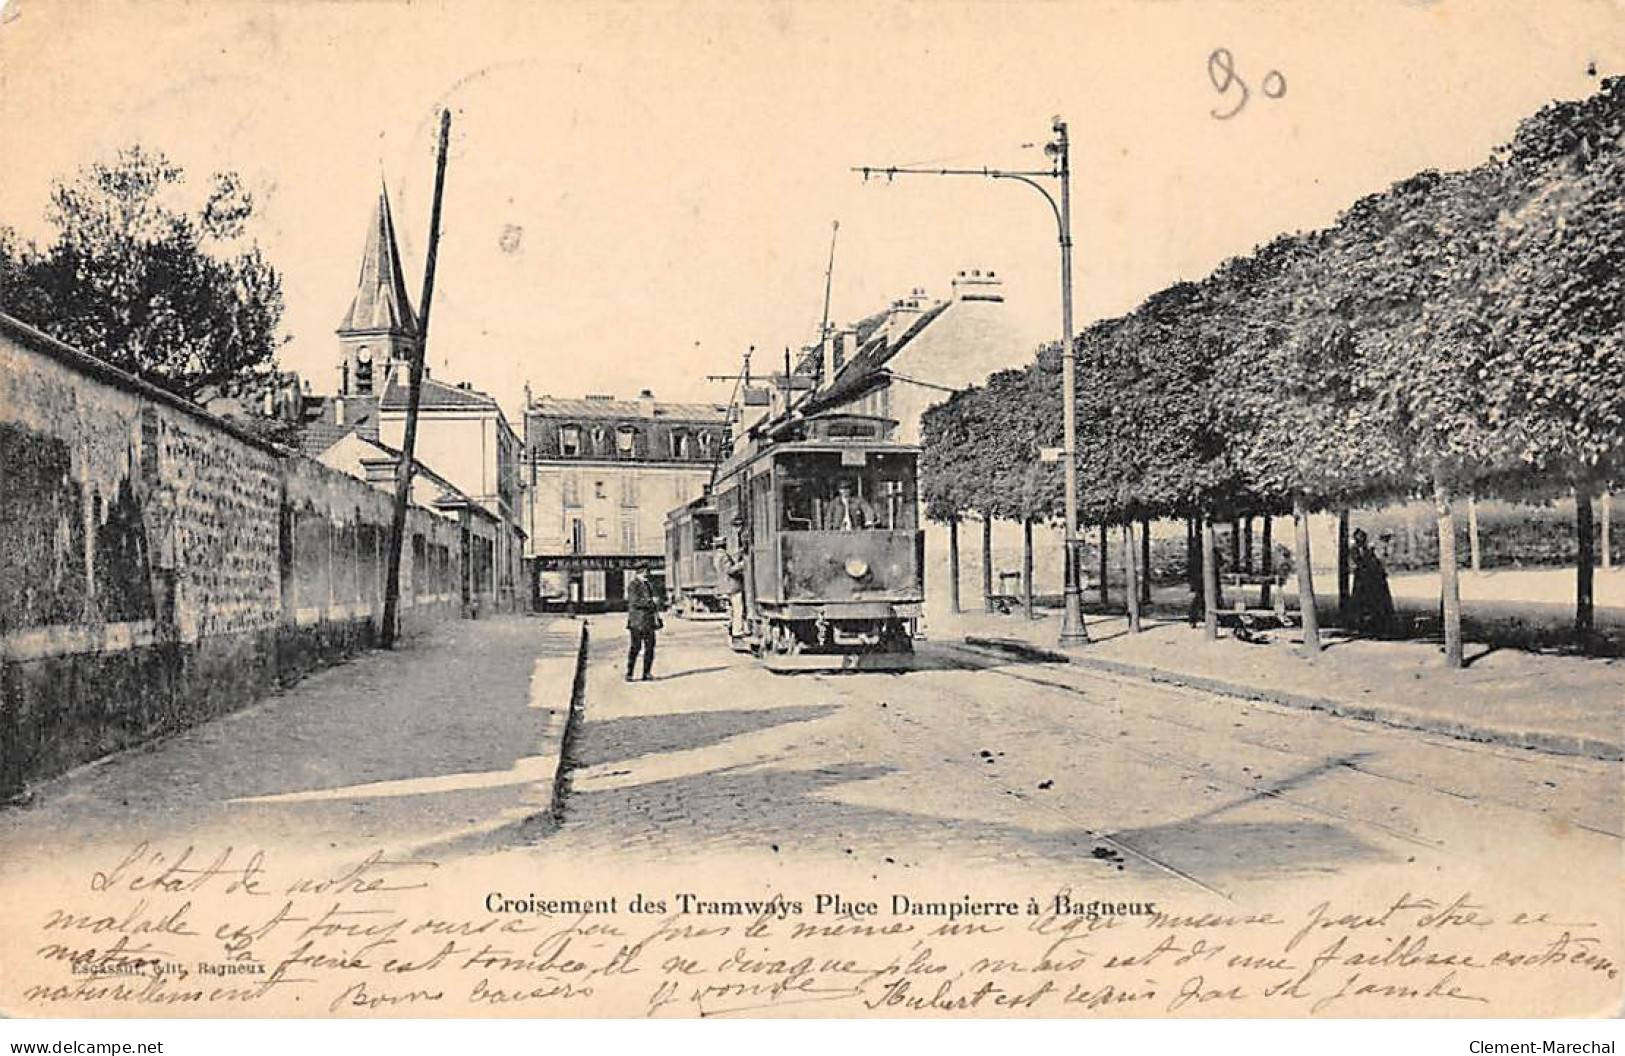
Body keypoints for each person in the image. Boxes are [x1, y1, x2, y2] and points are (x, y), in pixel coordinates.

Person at [1347, 528, 1397, 637]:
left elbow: (1375, 562)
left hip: (1372, 579)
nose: (1362, 540)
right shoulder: (1354, 549)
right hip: (1361, 579)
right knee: (1359, 602)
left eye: (1363, 537)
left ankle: (1377, 625)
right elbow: (1358, 562)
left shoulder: (1369, 549)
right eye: (1359, 537)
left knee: (1375, 602)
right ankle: (1360, 625)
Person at [625, 569, 661, 681]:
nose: (647, 574)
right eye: (645, 572)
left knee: (650, 648)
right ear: (639, 573)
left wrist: (656, 606)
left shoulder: (648, 585)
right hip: (637, 622)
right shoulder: (633, 585)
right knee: (635, 647)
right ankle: (629, 673)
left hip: (649, 622)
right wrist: (651, 601)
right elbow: (635, 602)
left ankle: (646, 673)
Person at [721, 527, 747, 640]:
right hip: (734, 587)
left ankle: (733, 629)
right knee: (738, 609)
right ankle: (737, 631)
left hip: (729, 587)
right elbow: (729, 570)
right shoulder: (722, 556)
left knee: (734, 610)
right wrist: (741, 565)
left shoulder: (719, 555)